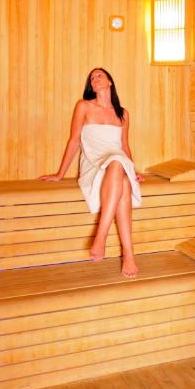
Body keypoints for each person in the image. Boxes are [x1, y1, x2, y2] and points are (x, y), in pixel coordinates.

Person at [39, 68, 144, 278]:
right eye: (92, 78)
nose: (94, 79)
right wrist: (60, 174)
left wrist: (133, 170)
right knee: (120, 174)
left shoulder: (123, 114)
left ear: (110, 82)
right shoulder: (84, 106)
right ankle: (124, 251)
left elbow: (124, 145)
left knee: (121, 170)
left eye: (99, 76)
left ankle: (107, 241)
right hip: (94, 162)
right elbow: (74, 140)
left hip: (117, 162)